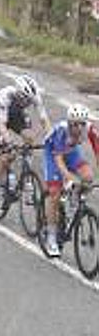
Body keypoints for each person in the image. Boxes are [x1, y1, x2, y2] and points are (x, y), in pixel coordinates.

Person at [42, 104, 99, 258]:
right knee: (55, 193)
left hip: (72, 152)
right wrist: (70, 178)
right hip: (53, 154)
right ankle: (51, 236)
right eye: (75, 124)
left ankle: (73, 201)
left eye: (82, 123)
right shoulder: (61, 131)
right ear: (69, 122)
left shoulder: (90, 129)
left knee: (88, 178)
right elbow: (59, 161)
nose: (78, 127)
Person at [0, 75, 50, 211]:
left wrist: (51, 138)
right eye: (24, 100)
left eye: (29, 101)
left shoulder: (35, 95)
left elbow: (44, 119)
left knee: (29, 139)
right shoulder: (6, 96)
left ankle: (27, 180)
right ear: (18, 94)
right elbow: (2, 125)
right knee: (5, 154)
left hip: (16, 113)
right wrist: (9, 142)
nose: (27, 103)